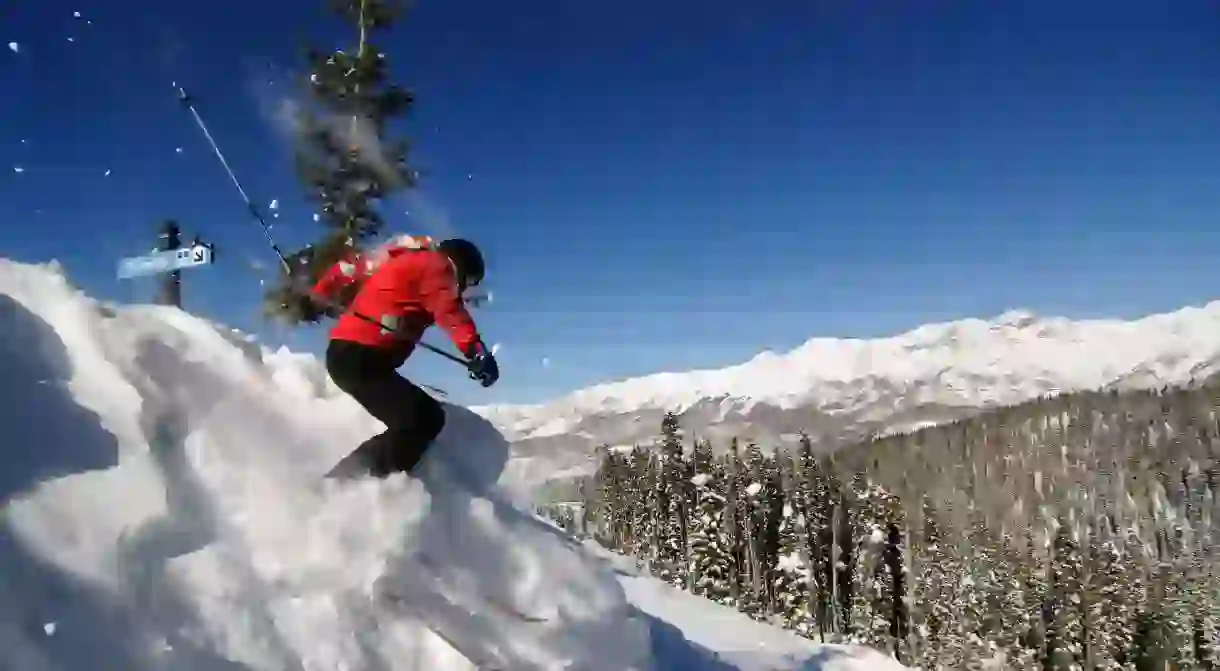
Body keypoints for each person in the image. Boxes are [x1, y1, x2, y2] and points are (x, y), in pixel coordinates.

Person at [300, 234, 500, 479]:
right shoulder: (437, 265)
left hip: (351, 355)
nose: (463, 289)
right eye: (467, 282)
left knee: (417, 417)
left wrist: (316, 296)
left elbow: (349, 267)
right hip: (361, 357)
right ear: (460, 266)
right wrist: (476, 352)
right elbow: (449, 311)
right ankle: (346, 483)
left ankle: (351, 480)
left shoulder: (401, 259)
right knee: (423, 420)